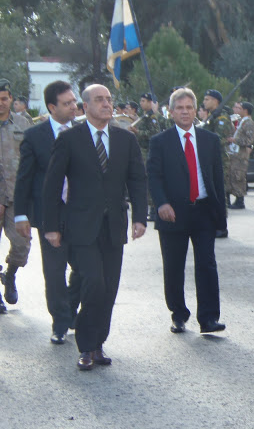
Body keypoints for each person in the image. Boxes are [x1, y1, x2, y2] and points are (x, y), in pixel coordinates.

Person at [42, 83, 147, 370]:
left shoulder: (126, 140)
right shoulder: (69, 139)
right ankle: (86, 346)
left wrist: (140, 217)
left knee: (109, 288)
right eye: (99, 100)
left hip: (113, 225)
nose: (106, 104)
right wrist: (50, 226)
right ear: (84, 107)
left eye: (109, 99)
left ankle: (98, 343)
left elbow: (137, 180)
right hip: (81, 227)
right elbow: (52, 185)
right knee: (94, 283)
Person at [147, 87, 227, 335]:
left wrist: (220, 215)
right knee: (173, 266)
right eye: (179, 108)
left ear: (196, 111)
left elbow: (217, 179)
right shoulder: (160, 142)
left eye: (189, 107)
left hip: (203, 211)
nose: (184, 112)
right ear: (171, 112)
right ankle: (178, 314)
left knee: (207, 265)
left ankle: (209, 318)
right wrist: (161, 203)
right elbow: (154, 176)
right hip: (172, 213)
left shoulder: (210, 140)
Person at [14, 80, 82, 343]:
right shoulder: (35, 136)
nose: (73, 107)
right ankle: (60, 321)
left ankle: (70, 308)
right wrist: (21, 214)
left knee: (84, 268)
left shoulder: (84, 132)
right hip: (49, 214)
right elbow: (24, 178)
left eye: (74, 102)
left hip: (80, 213)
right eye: (67, 104)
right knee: (54, 271)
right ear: (52, 107)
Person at [0, 78, 33, 312]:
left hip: (17, 196)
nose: (0, 103)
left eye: (4, 99)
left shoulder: (24, 123)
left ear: (11, 99)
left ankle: (9, 273)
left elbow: (35, 157)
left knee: (22, 244)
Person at [129, 93, 166, 221]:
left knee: (150, 180)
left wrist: (137, 132)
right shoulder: (145, 116)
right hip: (142, 151)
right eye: (141, 100)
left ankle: (155, 208)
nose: (141, 103)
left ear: (151, 102)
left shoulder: (153, 117)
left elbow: (154, 134)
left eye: (144, 100)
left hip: (149, 151)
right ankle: (152, 209)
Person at [201, 89, 234, 218]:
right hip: (210, 158)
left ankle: (221, 223)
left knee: (219, 191)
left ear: (215, 101)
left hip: (219, 159)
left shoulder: (222, 118)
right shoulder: (212, 116)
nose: (204, 102)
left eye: (206, 99)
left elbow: (218, 139)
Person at [228, 102, 254, 209]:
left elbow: (250, 139)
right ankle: (236, 198)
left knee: (239, 176)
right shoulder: (241, 121)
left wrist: (235, 140)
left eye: (240, 109)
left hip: (241, 154)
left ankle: (240, 200)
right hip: (235, 153)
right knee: (233, 175)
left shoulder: (249, 123)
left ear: (245, 110)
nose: (238, 110)